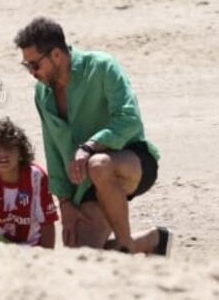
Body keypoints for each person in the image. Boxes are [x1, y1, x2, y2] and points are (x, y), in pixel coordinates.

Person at [14, 17, 172, 256]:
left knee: (99, 164)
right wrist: (65, 204)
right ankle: (152, 241)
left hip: (130, 163)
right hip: (85, 182)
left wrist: (89, 147)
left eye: (35, 65)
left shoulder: (102, 67)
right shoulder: (42, 94)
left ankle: (124, 241)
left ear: (56, 55)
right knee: (80, 256)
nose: (32, 73)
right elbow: (53, 149)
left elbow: (130, 119)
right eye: (27, 67)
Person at [0, 117, 58, 248]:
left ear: (21, 153)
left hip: (32, 246)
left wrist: (47, 258)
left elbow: (47, 222)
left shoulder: (36, 176)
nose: (3, 155)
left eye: (9, 148)